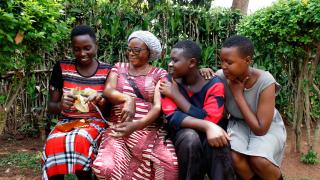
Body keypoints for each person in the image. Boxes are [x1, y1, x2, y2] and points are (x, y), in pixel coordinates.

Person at [92, 30, 178, 180]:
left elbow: (158, 107)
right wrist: (128, 99)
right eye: (129, 49)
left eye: (136, 50)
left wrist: (136, 125)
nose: (131, 53)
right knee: (104, 167)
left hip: (150, 131)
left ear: (149, 52)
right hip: (119, 129)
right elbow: (108, 90)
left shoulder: (159, 73)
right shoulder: (119, 67)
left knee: (169, 164)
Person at [41, 25, 112, 180]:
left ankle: (84, 176)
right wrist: (60, 105)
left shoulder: (108, 71)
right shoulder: (62, 67)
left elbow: (110, 112)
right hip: (66, 122)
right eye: (77, 49)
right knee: (53, 143)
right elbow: (51, 107)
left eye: (87, 48)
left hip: (95, 122)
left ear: (96, 46)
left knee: (80, 140)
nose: (82, 53)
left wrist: (99, 99)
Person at [211, 35, 286, 180]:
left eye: (229, 62)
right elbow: (202, 84)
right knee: (234, 157)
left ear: (247, 60)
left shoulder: (265, 81)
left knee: (260, 160)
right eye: (222, 61)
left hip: (266, 126)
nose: (223, 66)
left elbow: (260, 129)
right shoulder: (221, 76)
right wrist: (204, 72)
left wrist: (238, 95)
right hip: (238, 123)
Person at [159, 40, 236, 180]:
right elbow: (172, 117)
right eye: (170, 60)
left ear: (192, 63)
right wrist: (207, 125)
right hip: (181, 135)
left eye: (175, 60)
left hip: (210, 134)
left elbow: (210, 118)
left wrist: (176, 96)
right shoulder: (168, 82)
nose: (170, 64)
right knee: (190, 137)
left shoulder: (214, 84)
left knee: (218, 139)